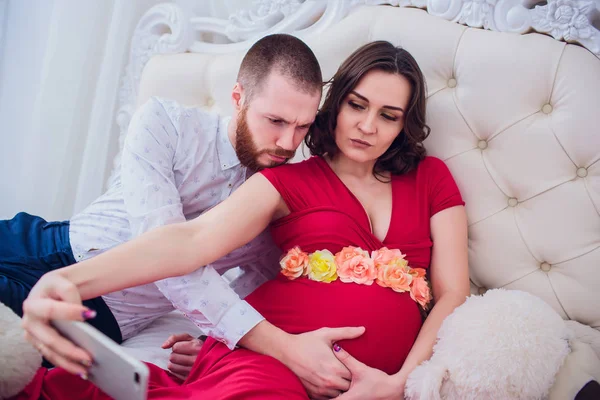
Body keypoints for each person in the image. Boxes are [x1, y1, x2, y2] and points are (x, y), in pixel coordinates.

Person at [19, 40, 470, 399]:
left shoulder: (431, 179)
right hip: (272, 358)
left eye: (388, 116)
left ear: (403, 125)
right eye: (357, 105)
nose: (368, 126)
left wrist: (401, 384)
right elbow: (188, 241)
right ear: (335, 106)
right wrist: (71, 281)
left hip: (368, 378)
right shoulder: (285, 181)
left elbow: (453, 292)